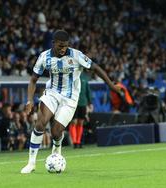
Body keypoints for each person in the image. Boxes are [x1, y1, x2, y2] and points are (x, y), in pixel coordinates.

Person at [20, 30, 121, 174]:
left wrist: (111, 85)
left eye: (66, 46)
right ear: (53, 43)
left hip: (70, 98)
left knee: (56, 131)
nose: (63, 49)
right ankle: (31, 163)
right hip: (52, 93)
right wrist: (29, 100)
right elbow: (33, 80)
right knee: (40, 123)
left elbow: (96, 68)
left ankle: (56, 150)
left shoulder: (76, 55)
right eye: (60, 46)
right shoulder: (44, 57)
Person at [69, 70, 92, 148]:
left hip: (83, 102)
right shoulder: (71, 75)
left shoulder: (85, 77)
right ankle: (74, 142)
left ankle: (78, 141)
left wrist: (90, 103)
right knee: (74, 122)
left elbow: (88, 91)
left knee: (81, 122)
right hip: (73, 103)